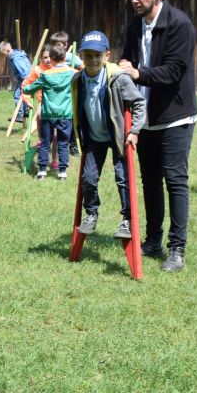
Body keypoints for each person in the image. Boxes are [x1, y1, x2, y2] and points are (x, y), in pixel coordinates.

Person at [118, 0, 197, 273]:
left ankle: (177, 250)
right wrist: (124, 69)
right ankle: (153, 241)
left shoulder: (180, 24)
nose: (135, 0)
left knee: (175, 181)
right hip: (145, 118)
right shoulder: (135, 26)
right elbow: (128, 61)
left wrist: (137, 73)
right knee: (150, 181)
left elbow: (174, 71)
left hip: (175, 116)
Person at [71, 31, 147, 238]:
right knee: (88, 178)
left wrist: (134, 131)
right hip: (94, 138)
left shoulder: (118, 78)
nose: (93, 60)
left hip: (118, 137)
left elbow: (139, 103)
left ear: (107, 55)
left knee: (123, 178)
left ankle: (127, 220)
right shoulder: (78, 80)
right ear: (80, 56)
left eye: (97, 55)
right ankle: (91, 213)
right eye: (87, 55)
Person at [22, 45, 75, 180]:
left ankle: (42, 171)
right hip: (65, 114)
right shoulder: (72, 73)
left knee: (45, 142)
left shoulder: (45, 75)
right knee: (63, 143)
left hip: (48, 114)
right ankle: (62, 172)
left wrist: (26, 90)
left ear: (51, 59)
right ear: (64, 57)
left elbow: (30, 88)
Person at [0, 40, 31, 123]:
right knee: (22, 95)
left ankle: (19, 115)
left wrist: (24, 82)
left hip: (25, 79)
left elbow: (24, 71)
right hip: (26, 78)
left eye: (4, 54)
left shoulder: (16, 58)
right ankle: (25, 111)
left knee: (17, 95)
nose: (4, 56)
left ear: (7, 50)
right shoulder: (16, 55)